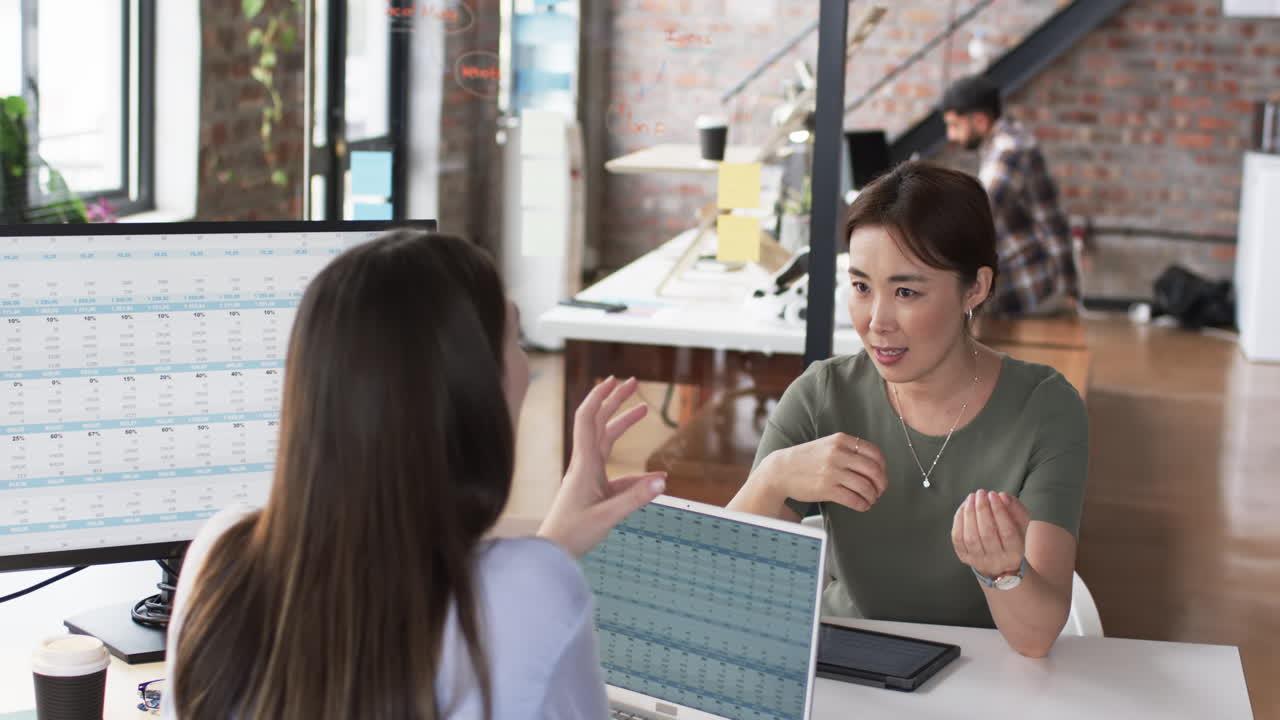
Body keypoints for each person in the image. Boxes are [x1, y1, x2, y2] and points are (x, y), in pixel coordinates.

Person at [162, 230, 666, 719]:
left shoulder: (218, 556)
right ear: (471, 395)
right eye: (514, 339)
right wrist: (543, 562)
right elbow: (502, 622)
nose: (524, 366)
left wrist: (549, 546)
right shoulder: (531, 592)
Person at [727, 162, 1088, 658]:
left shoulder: (1045, 408)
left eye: (906, 292)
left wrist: (1003, 572)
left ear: (976, 288)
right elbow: (718, 590)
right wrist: (770, 480)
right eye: (860, 287)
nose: (877, 322)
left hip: (985, 676)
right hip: (844, 664)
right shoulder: (821, 395)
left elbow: (1035, 636)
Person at [940, 74, 1079, 315]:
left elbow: (977, 212)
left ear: (981, 120)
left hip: (1033, 286)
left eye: (955, 125)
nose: (950, 135)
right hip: (1032, 279)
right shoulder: (1004, 140)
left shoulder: (1010, 149)